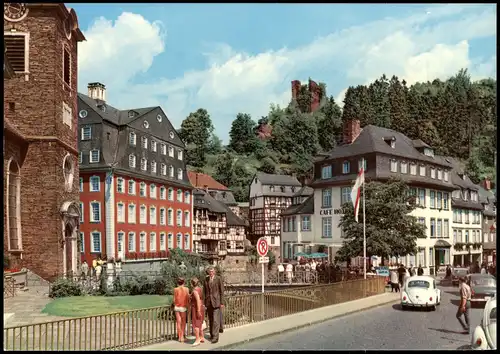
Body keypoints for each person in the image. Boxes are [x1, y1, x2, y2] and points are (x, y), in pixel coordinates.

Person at [203, 267, 224, 344]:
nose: (211, 273)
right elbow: (204, 292)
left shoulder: (218, 279)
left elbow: (222, 291)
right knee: (211, 320)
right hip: (208, 302)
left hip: (216, 302)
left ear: (214, 272)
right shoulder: (206, 279)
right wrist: (204, 303)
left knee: (215, 320)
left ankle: (215, 337)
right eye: (209, 271)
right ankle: (212, 335)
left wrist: (222, 302)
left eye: (212, 271)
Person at [173, 277, 190, 343]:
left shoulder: (175, 289)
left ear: (178, 283)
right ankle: (182, 337)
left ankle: (179, 337)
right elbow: (188, 299)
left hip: (177, 307)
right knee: (183, 323)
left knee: (178, 322)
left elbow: (174, 300)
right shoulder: (186, 289)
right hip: (183, 307)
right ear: (184, 282)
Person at [190, 277, 204, 347]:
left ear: (192, 284)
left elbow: (197, 300)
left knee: (195, 324)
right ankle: (202, 337)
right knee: (200, 322)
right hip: (201, 306)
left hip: (196, 308)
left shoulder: (195, 290)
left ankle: (197, 339)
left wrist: (198, 310)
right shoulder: (199, 289)